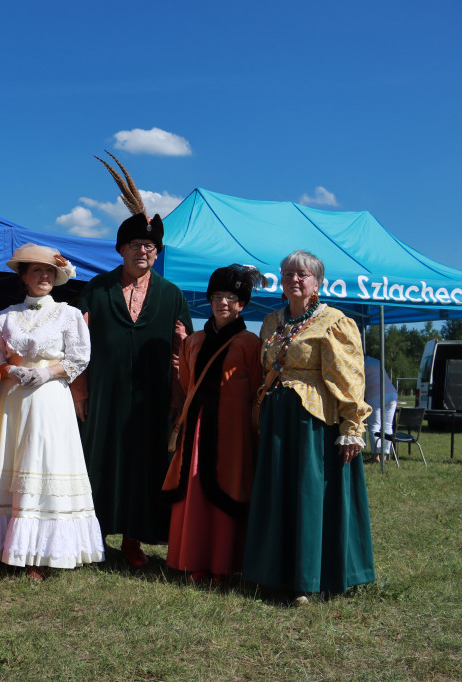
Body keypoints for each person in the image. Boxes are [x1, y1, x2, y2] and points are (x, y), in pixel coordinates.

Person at [74, 154, 192, 567]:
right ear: (121, 249)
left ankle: (134, 541)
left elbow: (184, 351)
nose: (144, 251)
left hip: (152, 399)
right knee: (99, 462)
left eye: (151, 246)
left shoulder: (172, 295)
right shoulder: (96, 289)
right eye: (136, 245)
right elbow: (77, 347)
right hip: (103, 394)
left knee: (145, 466)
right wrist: (81, 391)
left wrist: (178, 398)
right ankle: (94, 536)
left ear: (157, 254)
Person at [243, 250, 374, 603]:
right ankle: (272, 573)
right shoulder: (271, 321)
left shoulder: (334, 322)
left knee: (309, 495)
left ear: (317, 282)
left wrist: (352, 425)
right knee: (276, 492)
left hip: (314, 421)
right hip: (276, 416)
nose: (295, 280)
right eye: (288, 274)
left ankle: (309, 578)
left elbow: (349, 378)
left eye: (303, 274)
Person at [0, 243, 104, 581]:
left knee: (43, 462)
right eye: (36, 270)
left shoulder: (68, 314)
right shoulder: (5, 316)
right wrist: (10, 372)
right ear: (24, 276)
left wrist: (46, 372)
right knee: (13, 460)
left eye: (49, 271)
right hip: (13, 401)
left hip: (50, 399)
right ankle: (4, 546)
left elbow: (79, 357)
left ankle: (41, 552)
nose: (43, 276)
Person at [162, 265, 263, 585]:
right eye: (217, 296)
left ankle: (223, 564)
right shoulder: (194, 341)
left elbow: (257, 387)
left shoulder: (250, 342)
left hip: (233, 430)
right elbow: (187, 382)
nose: (223, 303)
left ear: (242, 305)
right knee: (194, 489)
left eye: (231, 298)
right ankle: (195, 560)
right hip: (197, 427)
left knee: (229, 487)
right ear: (209, 300)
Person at [364, 355, 398, 463]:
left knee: (375, 425)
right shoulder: (377, 361)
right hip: (392, 393)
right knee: (387, 426)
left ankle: (376, 456)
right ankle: (384, 455)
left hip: (375, 394)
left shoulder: (359, 362)